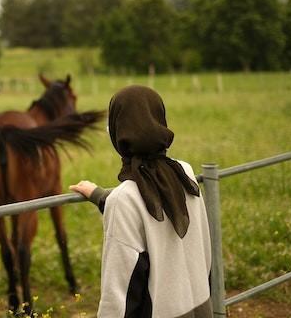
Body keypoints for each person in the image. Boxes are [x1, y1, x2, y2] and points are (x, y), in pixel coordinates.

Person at [70, 85, 212, 318]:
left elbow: (120, 294)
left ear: (118, 132)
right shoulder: (183, 174)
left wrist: (111, 200)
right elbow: (154, 216)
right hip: (200, 306)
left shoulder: (124, 199)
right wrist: (99, 195)